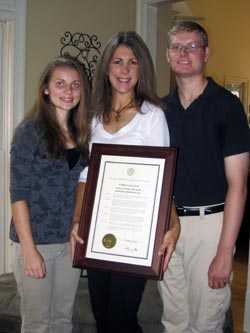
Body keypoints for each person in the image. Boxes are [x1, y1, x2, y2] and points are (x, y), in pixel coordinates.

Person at [70, 31, 180, 333]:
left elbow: (162, 178)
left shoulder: (152, 116)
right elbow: (85, 175)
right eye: (118, 62)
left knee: (122, 318)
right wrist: (78, 221)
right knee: (102, 316)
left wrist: (173, 224)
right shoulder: (94, 117)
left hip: (135, 235)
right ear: (107, 68)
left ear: (141, 69)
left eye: (133, 62)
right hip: (98, 231)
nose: (125, 70)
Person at [158, 21, 250, 333]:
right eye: (176, 47)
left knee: (206, 323)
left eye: (192, 46)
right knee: (173, 321)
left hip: (210, 227)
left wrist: (225, 252)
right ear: (168, 56)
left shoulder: (227, 106)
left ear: (206, 53)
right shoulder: (159, 110)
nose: (184, 53)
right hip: (167, 226)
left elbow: (238, 185)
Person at [9, 56, 90, 333]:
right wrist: (29, 250)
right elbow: (18, 194)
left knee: (62, 321)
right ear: (46, 88)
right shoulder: (29, 132)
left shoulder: (83, 134)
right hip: (37, 242)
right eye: (60, 84)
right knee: (37, 324)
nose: (68, 91)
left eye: (75, 85)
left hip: (69, 242)